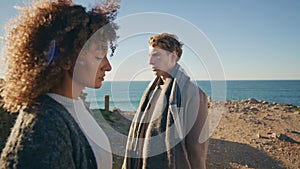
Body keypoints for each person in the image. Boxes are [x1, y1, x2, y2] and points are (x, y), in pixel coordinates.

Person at [0, 0, 119, 168]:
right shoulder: (43, 130)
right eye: (99, 57)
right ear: (66, 58)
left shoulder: (76, 106)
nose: (108, 66)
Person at [122, 33, 209, 169]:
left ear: (173, 56)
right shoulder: (151, 91)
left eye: (156, 55)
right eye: (150, 56)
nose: (150, 62)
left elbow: (197, 149)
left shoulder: (193, 94)